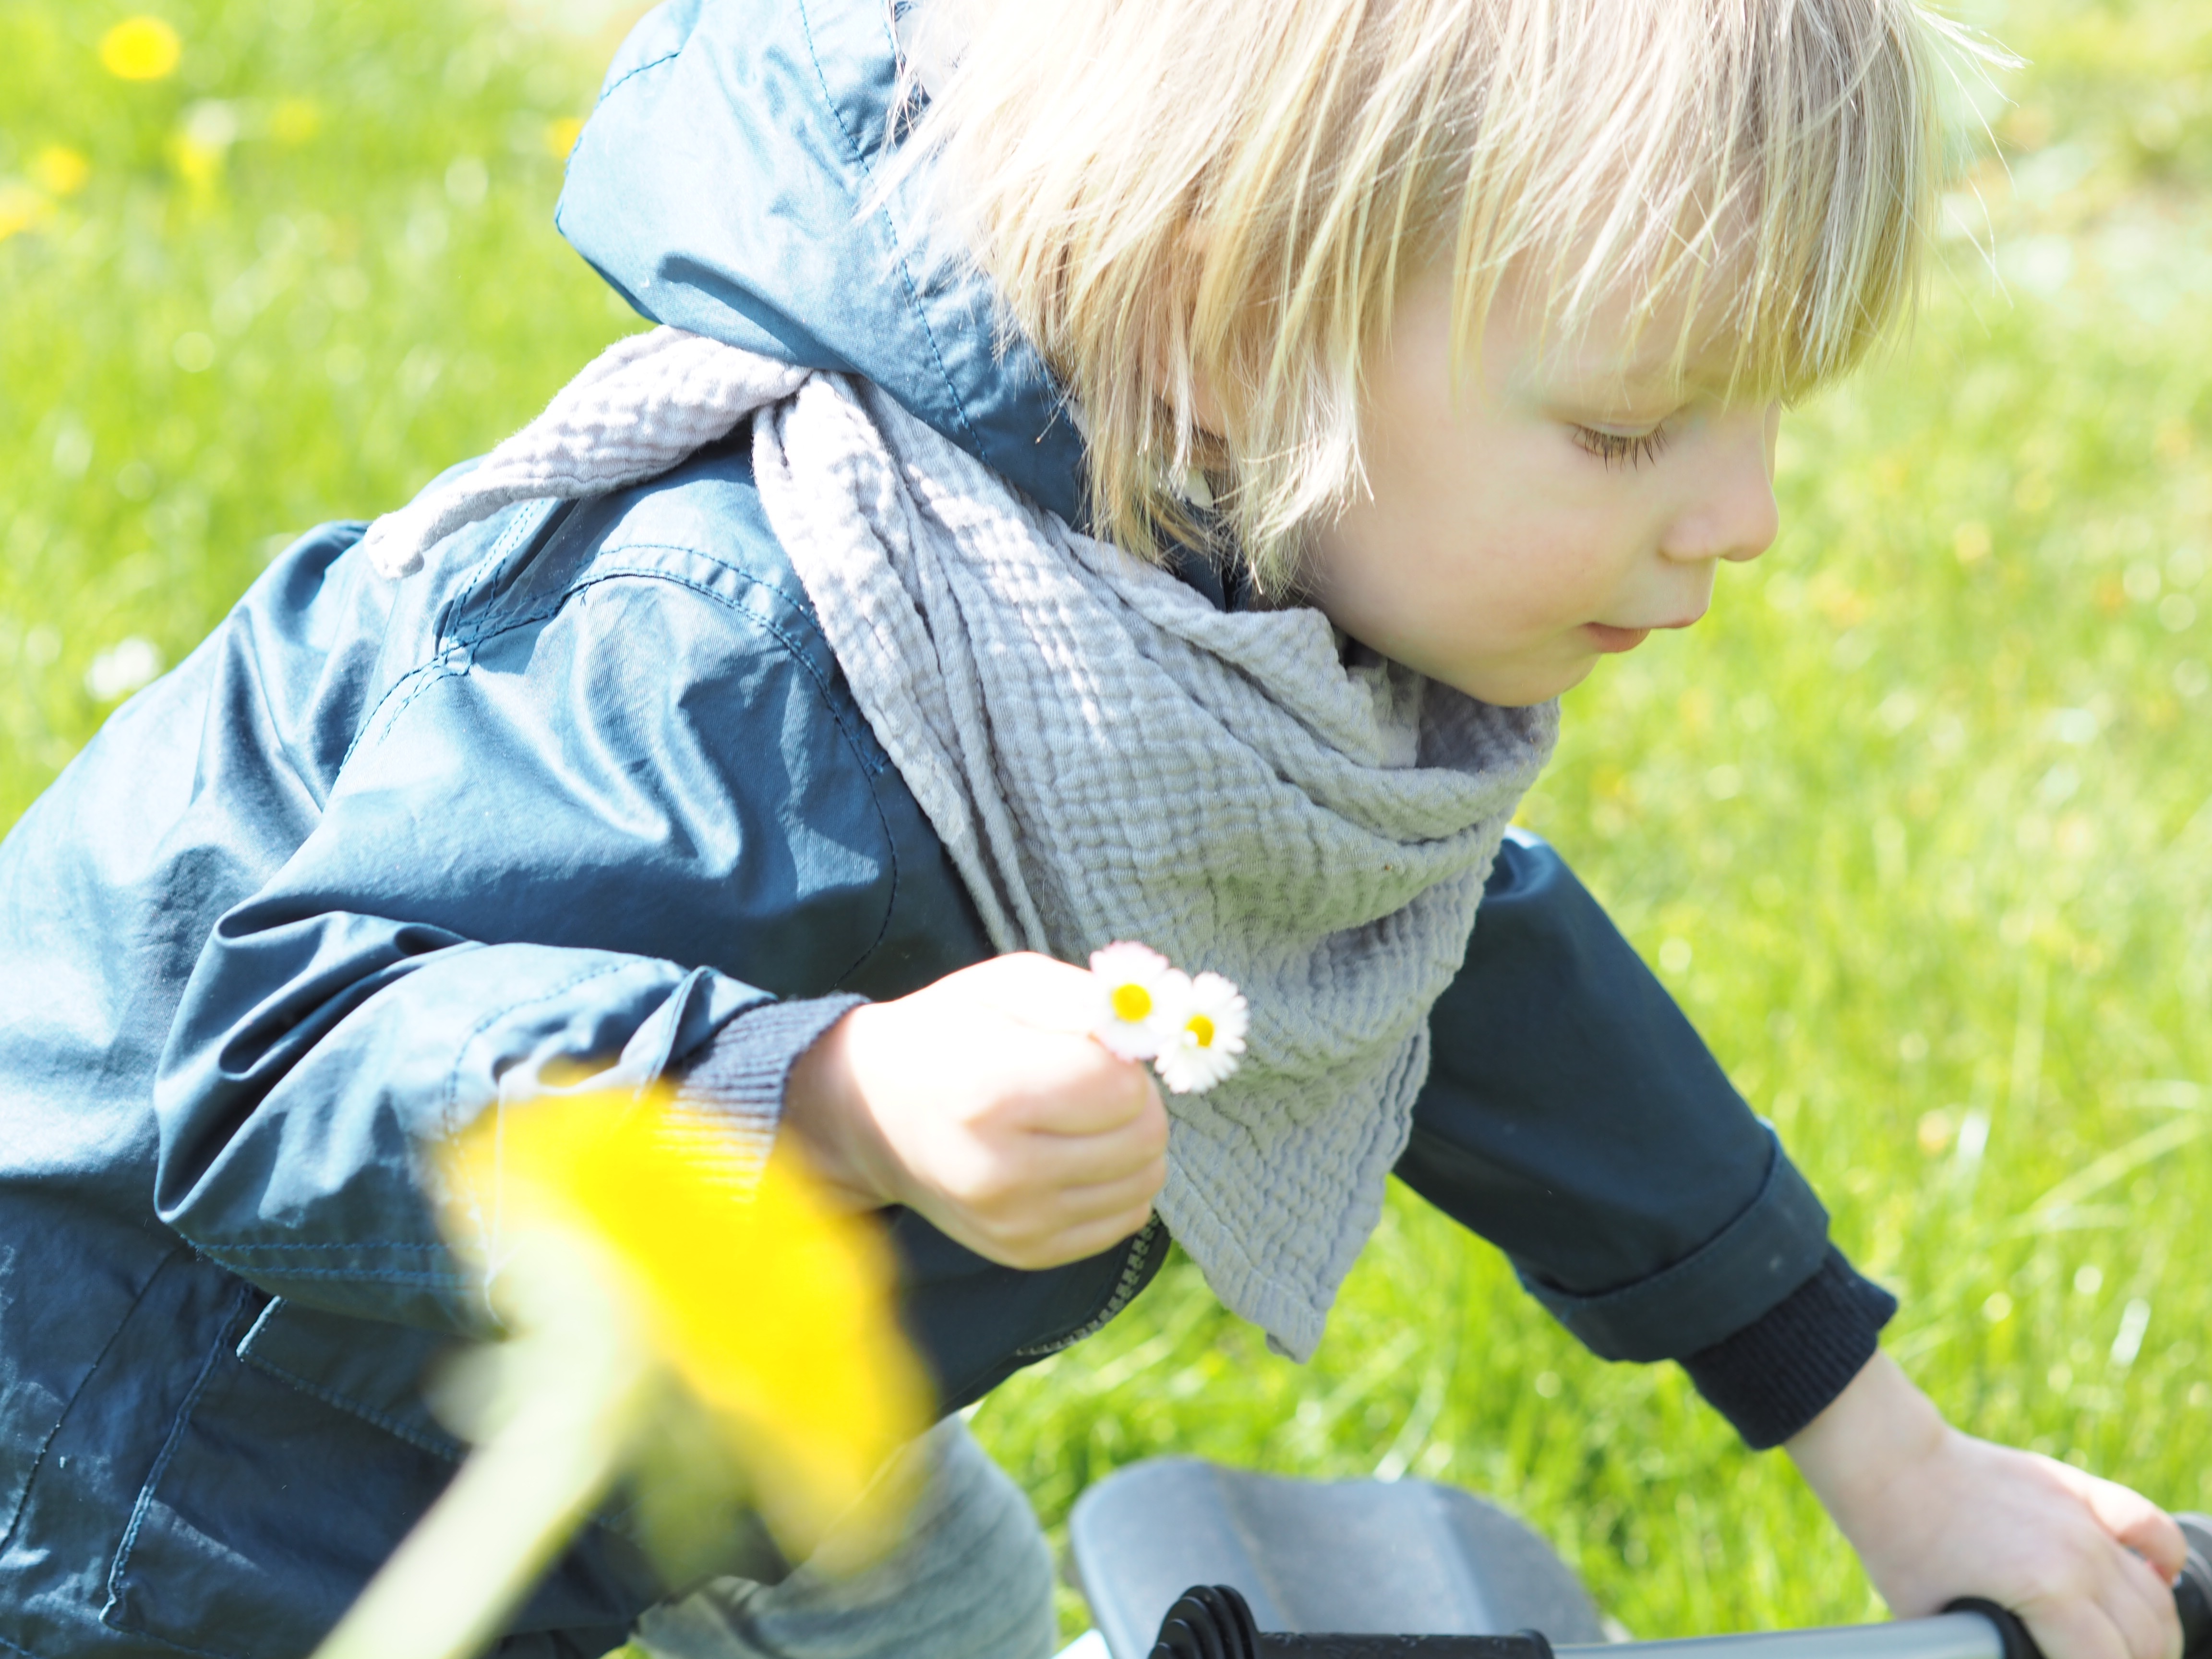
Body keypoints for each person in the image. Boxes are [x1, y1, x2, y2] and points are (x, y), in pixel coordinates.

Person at [0, 0, 2188, 1657]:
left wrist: (1890, 1460)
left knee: (934, 1592)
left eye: (1762, 413)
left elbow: (1461, 974)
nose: (1744, 518)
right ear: (1224, 326)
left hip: (630, 1380)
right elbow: (269, 1066)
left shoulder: (1193, 605)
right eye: (1630, 425)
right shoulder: (732, 660)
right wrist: (829, 1092)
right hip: (161, 1450)